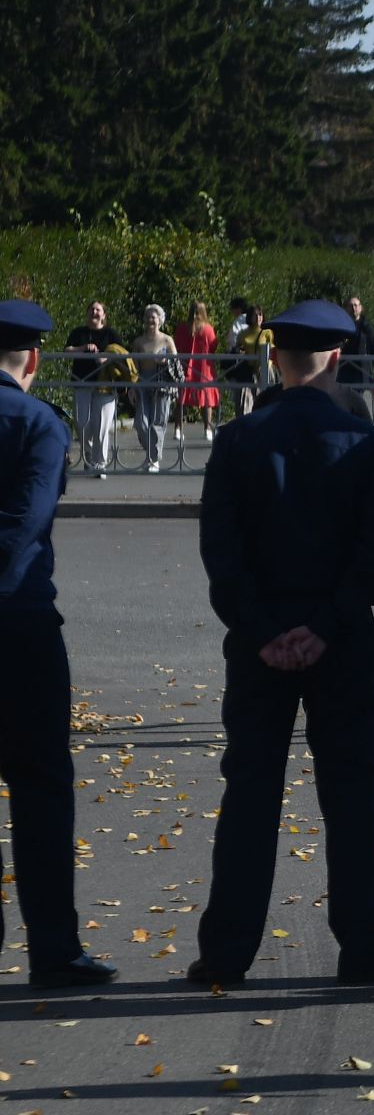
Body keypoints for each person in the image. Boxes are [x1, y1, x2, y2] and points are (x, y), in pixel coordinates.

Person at [188, 301, 374, 987]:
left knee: (250, 795)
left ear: (274, 361)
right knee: (350, 796)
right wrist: (322, 626)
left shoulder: (236, 441)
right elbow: (373, 557)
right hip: (341, 639)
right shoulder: (361, 443)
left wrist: (264, 632)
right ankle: (361, 943)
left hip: (258, 646)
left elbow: (222, 557)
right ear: (339, 359)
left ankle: (227, 948)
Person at [0, 300, 117, 990]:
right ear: (36, 360)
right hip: (19, 625)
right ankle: (52, 945)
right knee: (41, 786)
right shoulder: (38, 423)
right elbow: (24, 522)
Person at [64, 301, 121, 476]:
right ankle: (88, 457)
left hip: (105, 385)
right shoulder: (78, 332)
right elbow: (67, 351)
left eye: (98, 310)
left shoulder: (111, 334)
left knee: (101, 427)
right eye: (92, 309)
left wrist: (106, 358)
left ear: (104, 315)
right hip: (81, 383)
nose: (94, 312)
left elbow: (122, 354)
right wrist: (83, 348)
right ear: (87, 313)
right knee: (82, 424)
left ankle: (100, 463)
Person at [129, 304, 178, 473]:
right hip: (142, 381)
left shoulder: (167, 340)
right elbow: (133, 367)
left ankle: (154, 459)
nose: (151, 319)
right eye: (148, 316)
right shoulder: (138, 342)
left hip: (161, 382)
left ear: (160, 320)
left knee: (158, 421)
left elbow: (178, 362)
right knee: (141, 422)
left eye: (154, 317)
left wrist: (166, 361)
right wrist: (131, 388)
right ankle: (151, 454)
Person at [174, 300, 221, 440]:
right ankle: (207, 428)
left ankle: (177, 428)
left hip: (185, 365)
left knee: (181, 399)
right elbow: (213, 347)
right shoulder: (208, 329)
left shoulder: (182, 327)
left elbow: (176, 344)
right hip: (203, 367)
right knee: (206, 399)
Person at [338, 296, 374, 401]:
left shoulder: (366, 327)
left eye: (356, 305)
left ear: (361, 308)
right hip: (344, 370)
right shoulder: (342, 326)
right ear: (346, 309)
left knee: (356, 400)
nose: (354, 308)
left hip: (361, 370)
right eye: (351, 306)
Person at [230, 304, 273, 417]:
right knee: (244, 401)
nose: (258, 317)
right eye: (256, 314)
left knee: (264, 400)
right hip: (247, 371)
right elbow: (237, 348)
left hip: (263, 370)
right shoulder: (243, 334)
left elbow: (272, 350)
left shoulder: (267, 332)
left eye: (260, 314)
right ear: (250, 316)